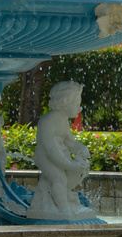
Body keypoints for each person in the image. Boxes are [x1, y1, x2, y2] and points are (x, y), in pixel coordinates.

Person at [27, 81, 91, 219]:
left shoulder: (63, 120)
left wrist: (81, 148)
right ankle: (63, 208)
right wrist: (69, 165)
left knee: (74, 173)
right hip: (46, 156)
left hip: (60, 154)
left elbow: (70, 143)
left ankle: (61, 197)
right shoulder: (48, 121)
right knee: (59, 177)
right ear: (64, 102)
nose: (79, 108)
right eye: (76, 104)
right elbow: (51, 150)